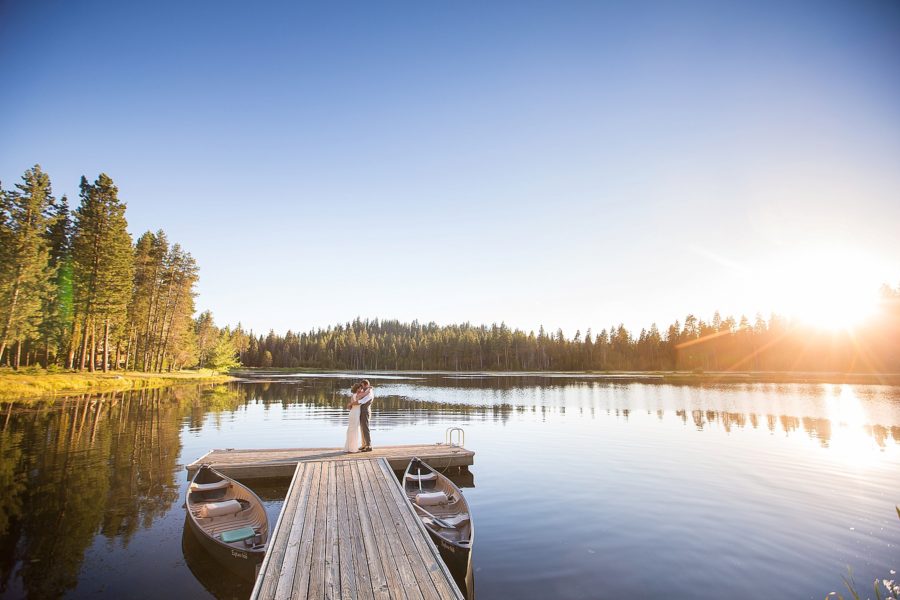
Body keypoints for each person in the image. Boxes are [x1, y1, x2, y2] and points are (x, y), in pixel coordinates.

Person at [347, 379, 374, 452]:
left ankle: (368, 446)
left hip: (365, 412)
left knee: (365, 428)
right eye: (360, 386)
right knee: (362, 429)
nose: (362, 387)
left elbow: (361, 401)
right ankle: (364, 445)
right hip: (360, 412)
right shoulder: (365, 391)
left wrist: (351, 404)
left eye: (362, 386)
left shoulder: (369, 393)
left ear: (366, 385)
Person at [342, 382, 363, 453]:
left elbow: (350, 407)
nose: (361, 389)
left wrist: (350, 404)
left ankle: (349, 448)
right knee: (354, 430)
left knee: (351, 429)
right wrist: (369, 390)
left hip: (352, 413)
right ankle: (353, 449)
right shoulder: (357, 395)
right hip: (355, 414)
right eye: (360, 388)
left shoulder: (353, 395)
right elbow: (358, 402)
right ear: (357, 389)